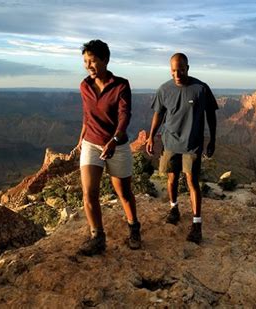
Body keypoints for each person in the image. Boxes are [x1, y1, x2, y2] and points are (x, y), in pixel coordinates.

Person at [75, 39, 141, 256]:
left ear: (105, 59)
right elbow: (87, 115)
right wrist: (82, 137)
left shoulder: (121, 85)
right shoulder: (84, 86)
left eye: (92, 61)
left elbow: (124, 116)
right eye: (85, 61)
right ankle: (98, 237)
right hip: (91, 144)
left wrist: (114, 140)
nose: (88, 66)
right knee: (89, 193)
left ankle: (133, 228)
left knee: (123, 192)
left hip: (118, 145)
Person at [146, 53, 218, 244]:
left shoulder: (200, 89)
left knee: (192, 182)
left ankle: (196, 223)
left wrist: (212, 140)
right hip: (170, 143)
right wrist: (151, 137)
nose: (177, 74)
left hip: (192, 144)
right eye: (173, 70)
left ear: (188, 67)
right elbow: (158, 115)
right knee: (171, 178)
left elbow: (211, 115)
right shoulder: (164, 89)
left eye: (181, 69)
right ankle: (174, 208)